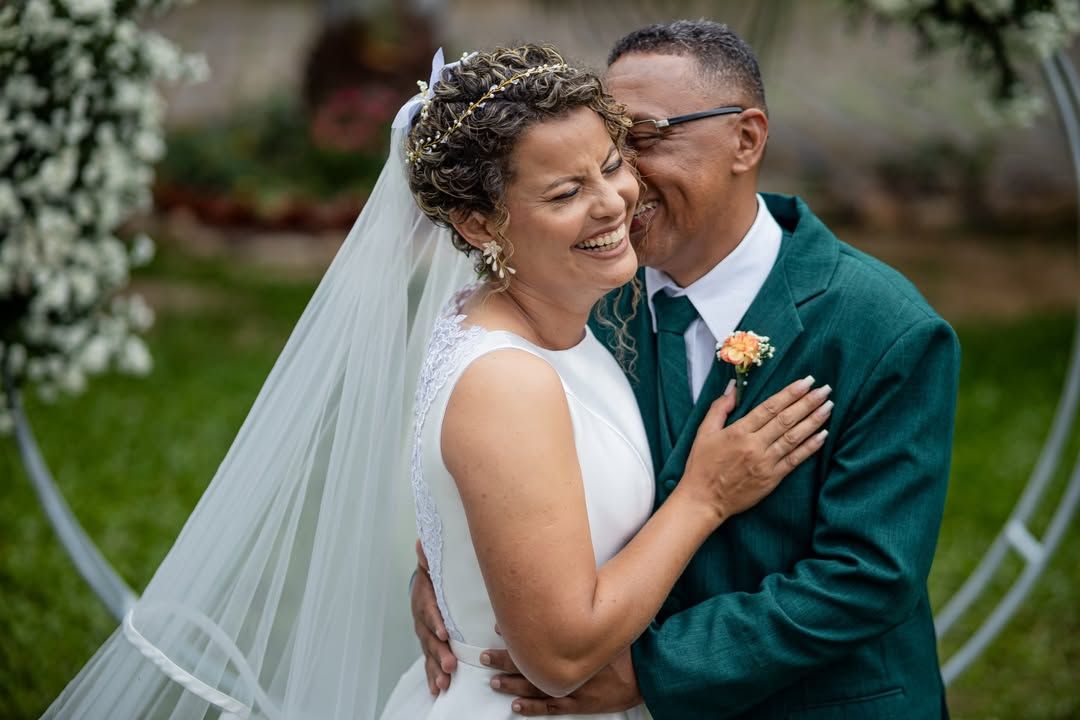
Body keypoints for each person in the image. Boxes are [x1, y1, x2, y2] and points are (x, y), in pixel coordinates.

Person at [42, 43, 827, 720]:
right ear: (479, 226)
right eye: (564, 193)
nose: (614, 202)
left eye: (612, 163)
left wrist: (447, 571)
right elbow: (556, 658)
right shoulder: (507, 382)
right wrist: (703, 497)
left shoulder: (533, 313)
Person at [411, 21, 961, 720]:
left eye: (640, 140)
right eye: (611, 142)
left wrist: (651, 671)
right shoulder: (581, 289)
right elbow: (502, 469)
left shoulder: (883, 327)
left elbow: (868, 575)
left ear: (747, 138)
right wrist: (456, 577)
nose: (622, 185)